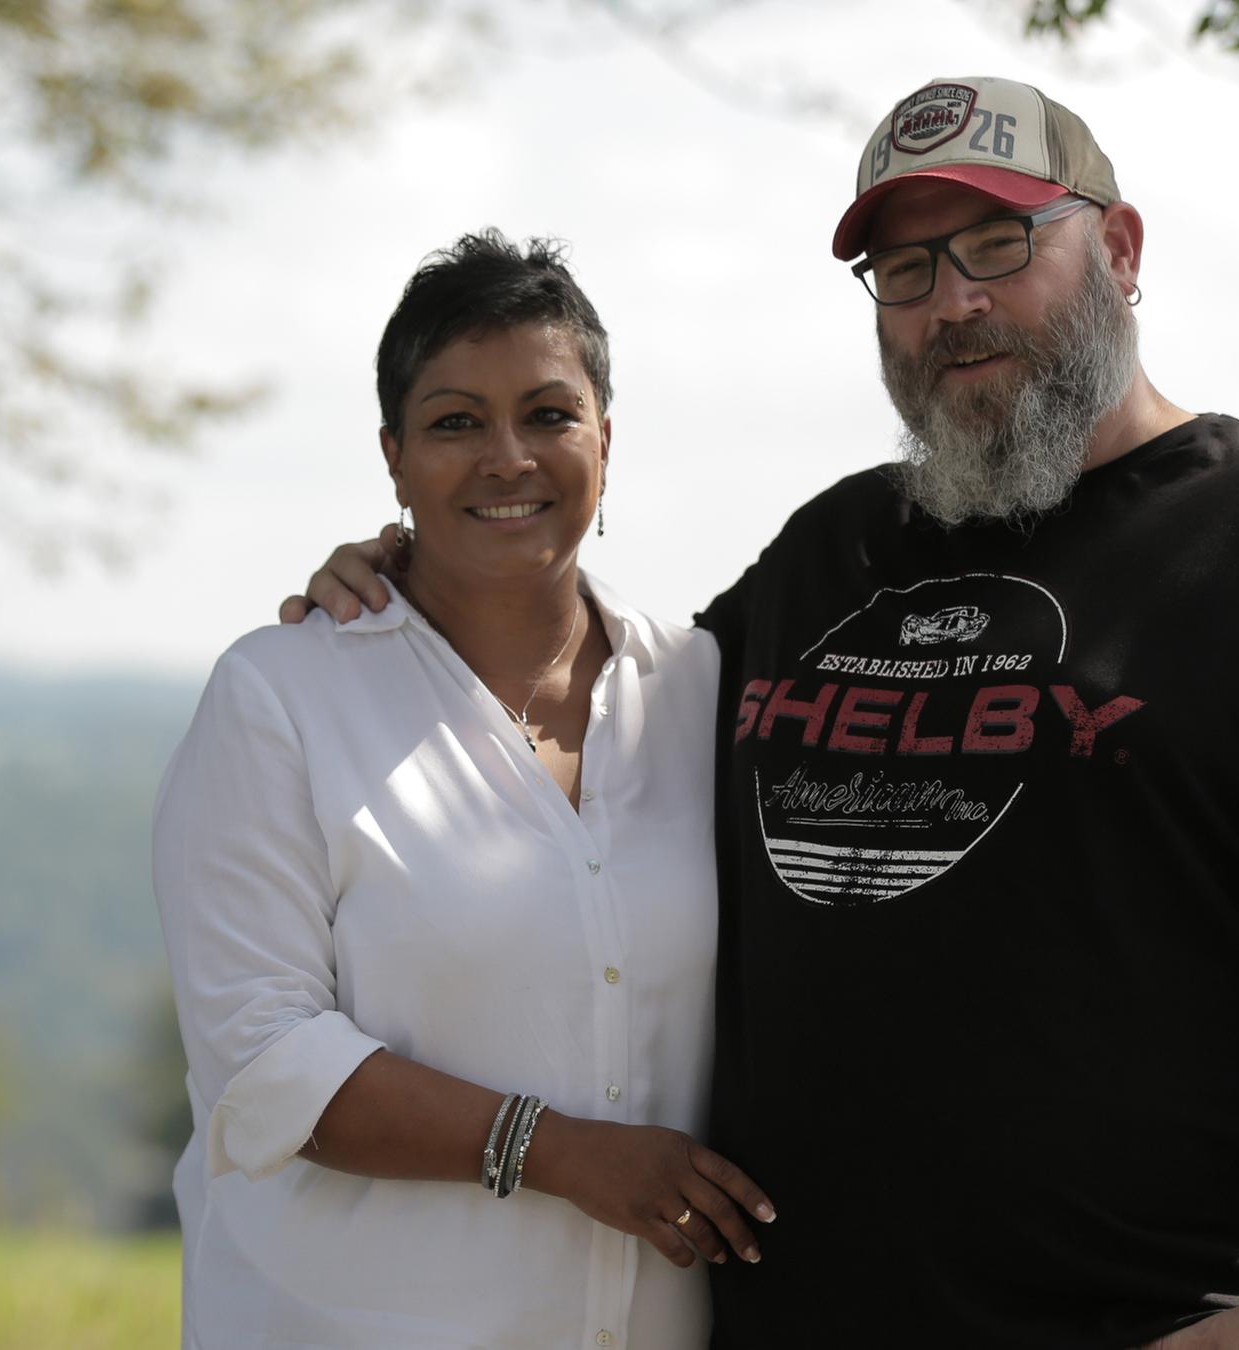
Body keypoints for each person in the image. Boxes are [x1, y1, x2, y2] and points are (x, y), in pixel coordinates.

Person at [284, 78, 1239, 1350]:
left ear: (1120, 250)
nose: (953, 303)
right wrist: (424, 580)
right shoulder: (837, 548)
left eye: (998, 246)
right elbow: (599, 723)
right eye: (906, 269)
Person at [153, 230, 775, 1349]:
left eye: (548, 414)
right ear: (393, 459)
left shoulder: (704, 691)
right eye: (455, 423)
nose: (507, 457)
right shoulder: (281, 697)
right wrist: (561, 1154)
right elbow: (264, 1061)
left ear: (605, 439)